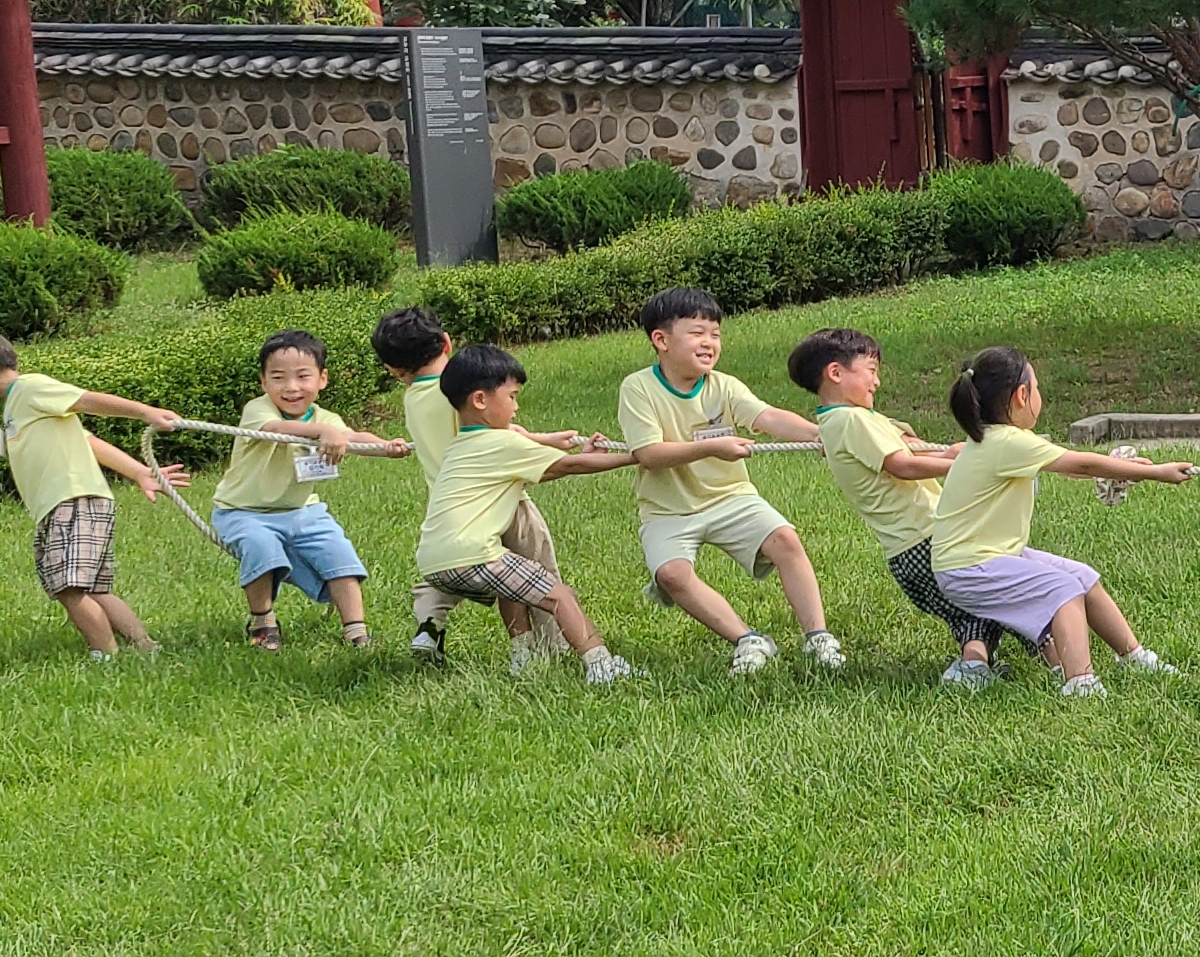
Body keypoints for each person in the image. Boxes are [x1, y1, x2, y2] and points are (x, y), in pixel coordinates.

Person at [925, 347, 1195, 695]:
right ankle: (1080, 683)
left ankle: (1135, 657)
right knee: (1063, 589)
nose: (1040, 396)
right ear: (1022, 395)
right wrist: (1156, 473)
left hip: (982, 556)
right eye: (1037, 388)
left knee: (1082, 577)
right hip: (968, 567)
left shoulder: (999, 439)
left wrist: (1126, 469)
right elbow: (1081, 463)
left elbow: (1069, 467)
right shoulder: (1007, 442)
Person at [618, 287, 841, 675]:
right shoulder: (637, 388)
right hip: (667, 510)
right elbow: (649, 454)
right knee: (671, 576)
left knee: (786, 541)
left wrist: (820, 434)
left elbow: (767, 417)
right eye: (697, 333)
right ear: (661, 340)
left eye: (715, 334)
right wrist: (711, 447)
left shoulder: (724, 385)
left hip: (730, 497)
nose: (709, 343)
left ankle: (818, 637)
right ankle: (749, 639)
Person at [0, 326, 188, 660]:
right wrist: (138, 472)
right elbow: (86, 441)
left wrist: (145, 413)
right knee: (94, 589)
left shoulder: (30, 389)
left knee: (69, 588)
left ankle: (105, 655)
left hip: (73, 500)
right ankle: (144, 647)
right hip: (64, 503)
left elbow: (87, 400)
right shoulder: (16, 406)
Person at [416, 343, 644, 685]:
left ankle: (523, 657)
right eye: (512, 396)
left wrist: (585, 454)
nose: (517, 406)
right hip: (474, 555)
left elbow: (547, 469)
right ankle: (601, 664)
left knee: (515, 583)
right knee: (559, 595)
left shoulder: (460, 446)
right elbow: (569, 466)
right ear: (480, 400)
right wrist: (637, 456)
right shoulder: (501, 442)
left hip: (433, 562)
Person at [791, 327, 1000, 689]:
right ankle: (1045, 660)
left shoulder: (845, 420)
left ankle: (976, 667)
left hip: (908, 550)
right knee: (996, 597)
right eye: (871, 371)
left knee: (974, 612)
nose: (877, 381)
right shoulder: (851, 420)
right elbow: (901, 465)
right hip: (925, 539)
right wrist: (962, 466)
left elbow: (909, 446)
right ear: (836, 373)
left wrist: (950, 453)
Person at [377, 305, 563, 669]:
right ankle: (551, 646)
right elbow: (501, 434)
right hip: (498, 499)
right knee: (536, 574)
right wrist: (550, 442)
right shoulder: (456, 394)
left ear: (394, 369)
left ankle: (435, 624)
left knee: (475, 574)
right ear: (447, 344)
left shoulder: (412, 399)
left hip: (449, 506)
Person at [208, 329, 412, 650]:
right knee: (260, 546)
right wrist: (323, 432)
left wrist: (386, 446)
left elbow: (353, 437)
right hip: (243, 512)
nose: (291, 387)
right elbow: (277, 429)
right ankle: (262, 621)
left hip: (302, 510)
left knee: (339, 554)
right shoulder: (258, 410)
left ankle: (356, 631)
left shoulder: (326, 418)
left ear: (322, 379)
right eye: (278, 378)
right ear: (263, 382)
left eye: (303, 376)